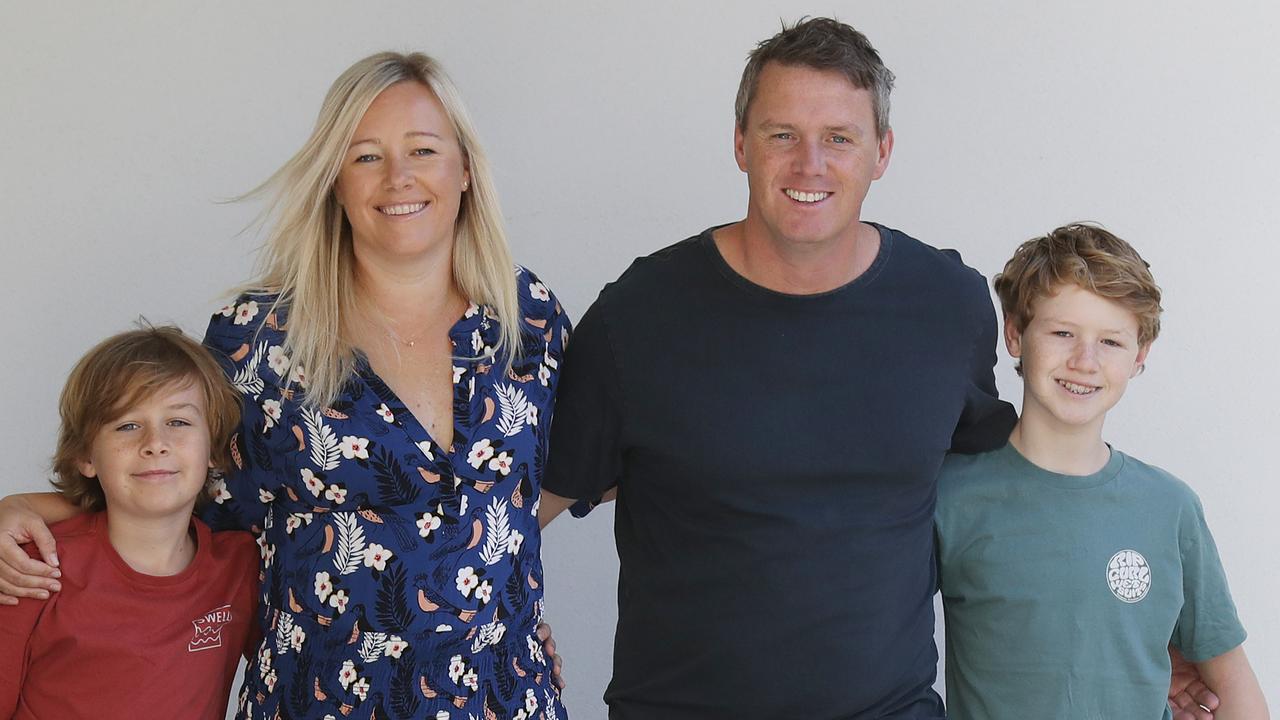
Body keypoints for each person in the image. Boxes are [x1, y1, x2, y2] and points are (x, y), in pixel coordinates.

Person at [535, 17, 1220, 720]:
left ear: (882, 152)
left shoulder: (945, 306)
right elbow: (524, 509)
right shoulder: (640, 317)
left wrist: (1130, 635)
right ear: (740, 143)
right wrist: (505, 629)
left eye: (839, 137)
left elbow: (1006, 499)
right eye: (782, 135)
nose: (811, 164)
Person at [0, 52, 569, 720]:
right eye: (365, 157)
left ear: (465, 169)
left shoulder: (526, 319)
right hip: (317, 699)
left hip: (503, 698)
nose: (398, 178)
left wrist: (490, 606)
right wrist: (22, 507)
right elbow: (179, 489)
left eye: (423, 149)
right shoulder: (260, 340)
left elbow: (539, 487)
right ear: (333, 179)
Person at [935, 225, 1268, 719]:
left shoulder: (1169, 507)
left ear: (1140, 355)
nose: (1084, 361)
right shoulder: (951, 495)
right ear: (1015, 335)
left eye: (1110, 341)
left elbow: (1232, 682)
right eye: (1063, 332)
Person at [0, 326, 258, 718]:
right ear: (86, 456)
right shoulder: (32, 567)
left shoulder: (240, 567)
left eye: (179, 422)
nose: (155, 442)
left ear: (214, 449)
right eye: (127, 425)